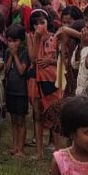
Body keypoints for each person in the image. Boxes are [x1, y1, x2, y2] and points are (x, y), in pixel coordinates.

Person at [28, 9, 63, 159]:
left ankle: (58, 152)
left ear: (48, 22)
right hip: (36, 80)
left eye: (42, 22)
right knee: (37, 114)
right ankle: (39, 152)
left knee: (55, 115)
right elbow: (33, 58)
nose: (39, 26)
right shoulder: (30, 36)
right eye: (35, 23)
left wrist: (51, 60)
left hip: (52, 80)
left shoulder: (56, 37)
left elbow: (63, 59)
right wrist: (37, 38)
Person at [4, 24, 30, 156]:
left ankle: (21, 149)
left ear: (21, 41)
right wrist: (10, 55)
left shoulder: (24, 53)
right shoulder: (7, 52)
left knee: (21, 121)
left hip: (21, 92)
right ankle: (14, 146)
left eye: (15, 41)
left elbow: (21, 71)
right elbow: (6, 70)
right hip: (10, 90)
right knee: (13, 120)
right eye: (10, 41)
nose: (12, 44)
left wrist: (15, 55)